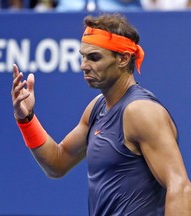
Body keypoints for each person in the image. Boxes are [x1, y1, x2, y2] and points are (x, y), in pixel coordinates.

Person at [11, 13, 191, 215]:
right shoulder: (97, 108)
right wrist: (26, 119)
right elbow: (57, 163)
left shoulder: (141, 112)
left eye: (94, 57)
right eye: (83, 56)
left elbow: (180, 186)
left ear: (123, 59)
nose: (84, 65)